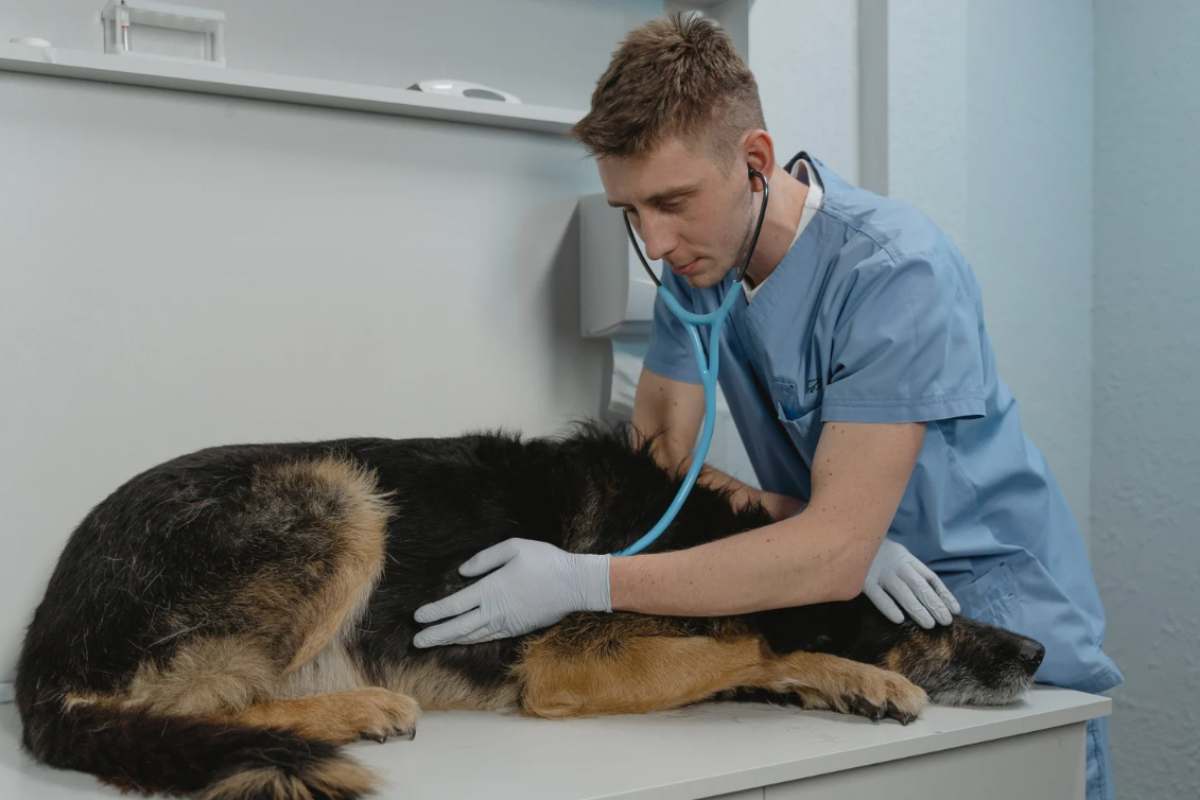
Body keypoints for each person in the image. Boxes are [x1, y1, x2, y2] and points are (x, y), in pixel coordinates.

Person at [411, 13, 1120, 799]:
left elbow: (834, 553)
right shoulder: (699, 272)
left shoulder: (895, 274)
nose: (656, 242)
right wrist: (799, 521)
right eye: (631, 211)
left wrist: (586, 583)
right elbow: (659, 467)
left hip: (982, 623)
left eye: (673, 201)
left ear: (755, 161)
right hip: (839, 613)